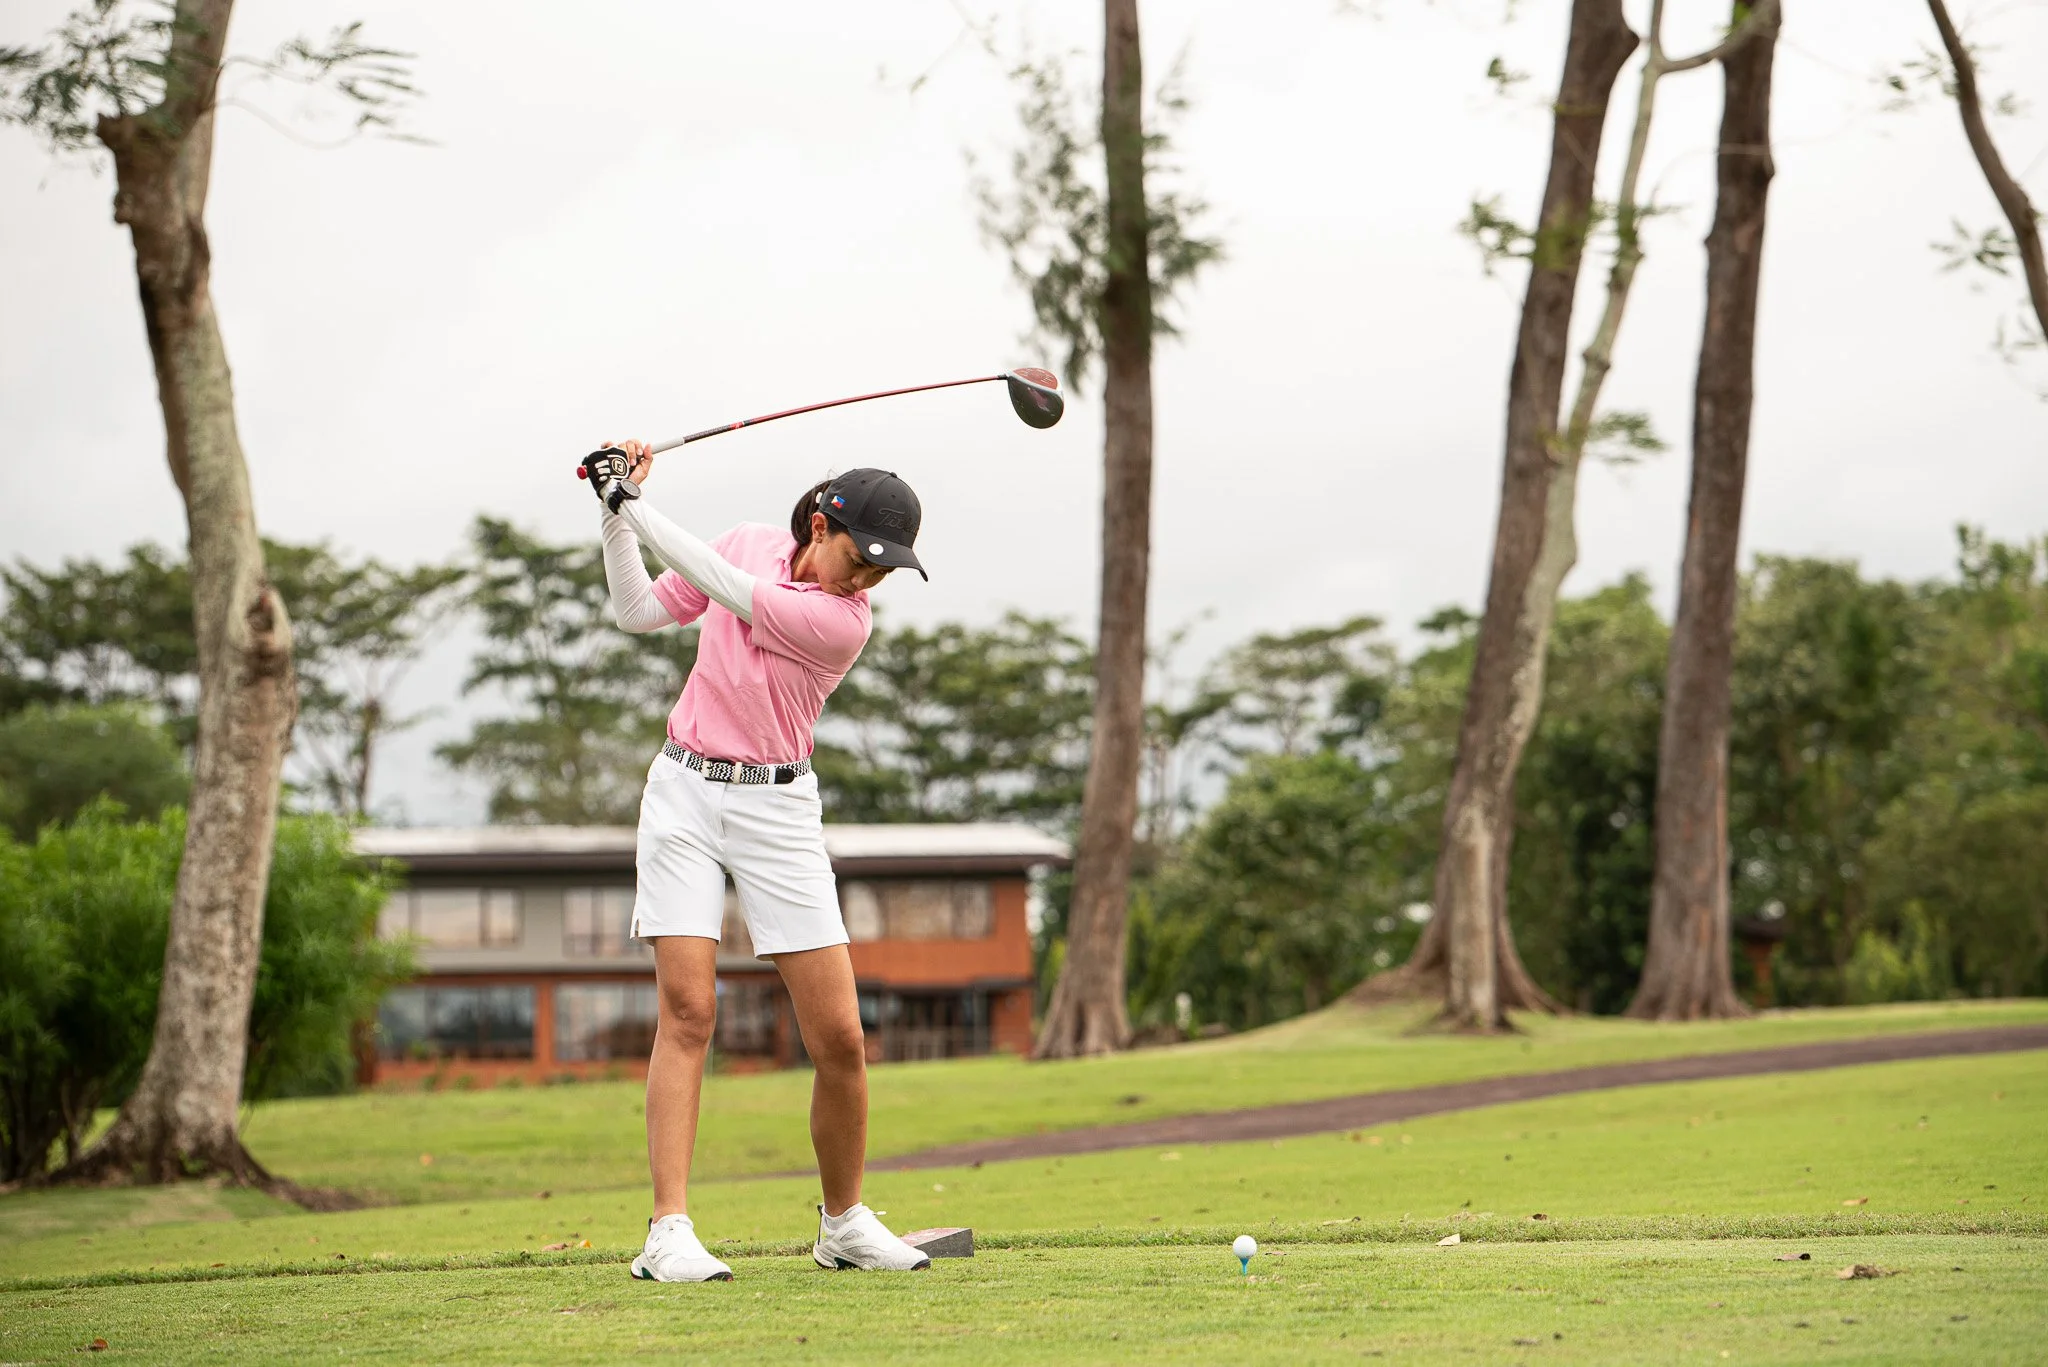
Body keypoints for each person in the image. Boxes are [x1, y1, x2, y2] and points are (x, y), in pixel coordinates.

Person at [583, 440, 933, 1282]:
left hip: (778, 809)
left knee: (841, 1036)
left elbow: (727, 587)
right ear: (821, 525)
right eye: (861, 560)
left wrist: (628, 497)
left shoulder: (842, 622)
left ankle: (843, 1221)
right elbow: (637, 609)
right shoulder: (745, 539)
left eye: (884, 573)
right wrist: (613, 515)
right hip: (685, 793)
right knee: (690, 1012)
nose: (867, 583)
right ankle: (669, 1230)